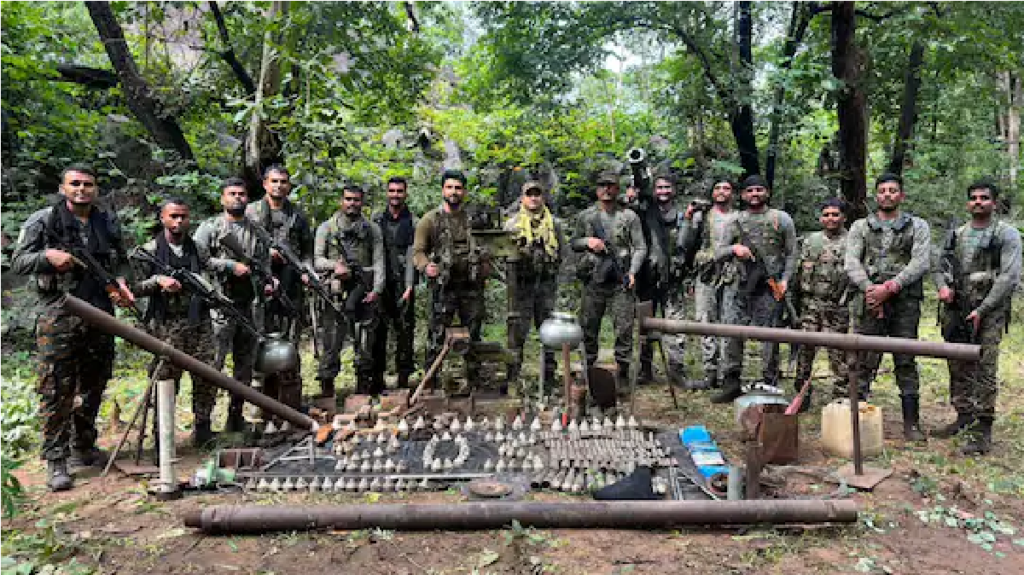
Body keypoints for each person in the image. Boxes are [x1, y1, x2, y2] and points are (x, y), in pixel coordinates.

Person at [12, 164, 134, 491]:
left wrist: (120, 283)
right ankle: (56, 458)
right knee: (56, 387)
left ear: (96, 189)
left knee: (95, 381)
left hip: (100, 311)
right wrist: (47, 257)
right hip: (58, 313)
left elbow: (120, 260)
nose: (81, 189)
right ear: (63, 187)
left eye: (88, 184)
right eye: (75, 184)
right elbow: (18, 261)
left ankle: (84, 444)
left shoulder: (106, 221)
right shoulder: (44, 220)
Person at [933, 181, 1021, 454]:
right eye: (973, 198)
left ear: (994, 203)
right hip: (957, 308)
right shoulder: (956, 234)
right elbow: (939, 265)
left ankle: (983, 430)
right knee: (957, 362)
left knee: (984, 366)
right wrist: (943, 288)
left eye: (985, 198)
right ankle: (963, 416)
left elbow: (1009, 276)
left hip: (990, 310)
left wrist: (982, 310)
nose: (978, 202)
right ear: (967, 203)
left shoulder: (1005, 234)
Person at [844, 173, 931, 441]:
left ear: (901, 196)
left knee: (905, 358)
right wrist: (870, 289)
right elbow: (851, 261)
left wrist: (890, 288)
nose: (887, 195)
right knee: (863, 358)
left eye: (893, 191)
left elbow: (920, 262)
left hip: (904, 303)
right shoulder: (861, 226)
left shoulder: (917, 226)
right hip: (868, 301)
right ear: (876, 195)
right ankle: (855, 420)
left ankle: (911, 423)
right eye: (882, 191)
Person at [131, 198, 218, 446]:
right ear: (163, 219)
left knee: (207, 375)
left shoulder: (198, 249)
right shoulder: (147, 251)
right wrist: (158, 281)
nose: (179, 221)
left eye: (183, 216)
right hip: (165, 325)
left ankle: (203, 427)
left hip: (198, 322)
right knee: (165, 379)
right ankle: (162, 434)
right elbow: (134, 288)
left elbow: (207, 277)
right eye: (173, 216)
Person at [194, 177, 276, 433]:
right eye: (232, 193)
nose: (237, 198)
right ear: (223, 198)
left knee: (244, 365)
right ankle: (203, 423)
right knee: (213, 364)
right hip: (220, 305)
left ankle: (235, 416)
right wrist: (229, 266)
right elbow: (198, 261)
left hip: (249, 306)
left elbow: (264, 264)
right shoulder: (210, 228)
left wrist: (268, 281)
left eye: (241, 194)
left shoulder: (256, 230)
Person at [714, 174, 797, 403]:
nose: (755, 194)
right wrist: (735, 248)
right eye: (750, 191)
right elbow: (718, 253)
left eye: (759, 190)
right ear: (742, 195)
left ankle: (768, 383)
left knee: (770, 336)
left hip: (769, 287)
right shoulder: (735, 221)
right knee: (731, 334)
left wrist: (785, 280)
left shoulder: (781, 219)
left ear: (767, 193)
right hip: (738, 286)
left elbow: (791, 253)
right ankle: (731, 382)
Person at [412, 169, 490, 391]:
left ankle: (474, 383)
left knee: (473, 336)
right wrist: (427, 266)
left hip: (471, 286)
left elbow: (489, 246)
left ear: (464, 191)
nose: (454, 192)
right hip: (444, 288)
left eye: (458, 188)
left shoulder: (473, 219)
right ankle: (430, 384)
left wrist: (485, 264)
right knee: (437, 336)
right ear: (442, 190)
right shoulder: (430, 220)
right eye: (449, 187)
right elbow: (418, 251)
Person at [571, 169, 647, 390]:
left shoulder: (628, 216)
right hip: (593, 280)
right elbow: (573, 242)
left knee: (623, 328)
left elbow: (640, 246)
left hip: (619, 280)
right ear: (596, 189)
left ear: (617, 189)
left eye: (610, 185)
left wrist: (632, 271)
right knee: (588, 328)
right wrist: (588, 241)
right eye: (602, 185)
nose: (606, 189)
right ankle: (587, 371)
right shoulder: (586, 216)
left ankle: (622, 373)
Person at [245, 164, 312, 412]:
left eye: (284, 182)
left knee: (290, 342)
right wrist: (265, 256)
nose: (279, 186)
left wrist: (306, 272)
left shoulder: (297, 216)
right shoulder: (250, 213)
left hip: (290, 288)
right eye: (274, 181)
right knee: (258, 342)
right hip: (257, 290)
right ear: (265, 184)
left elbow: (306, 252)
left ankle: (290, 401)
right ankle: (258, 405)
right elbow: (242, 249)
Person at [314, 185, 385, 395]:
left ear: (362, 202)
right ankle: (327, 390)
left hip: (363, 290)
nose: (352, 203)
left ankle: (362, 391)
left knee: (364, 342)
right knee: (331, 341)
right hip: (335, 294)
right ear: (341, 201)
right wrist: (334, 266)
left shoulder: (371, 229)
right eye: (348, 199)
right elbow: (317, 260)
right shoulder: (327, 228)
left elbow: (379, 261)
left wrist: (377, 289)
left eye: (356, 199)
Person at [504, 179, 568, 390]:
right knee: (517, 332)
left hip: (546, 285)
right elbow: (503, 256)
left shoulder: (554, 224)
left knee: (548, 330)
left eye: (537, 194)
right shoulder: (512, 224)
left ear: (543, 197)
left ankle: (549, 376)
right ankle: (513, 375)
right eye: (529, 194)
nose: (533, 198)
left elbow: (563, 253)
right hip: (521, 287)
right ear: (523, 198)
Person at [791, 197, 851, 411]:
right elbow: (799, 272)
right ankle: (801, 395)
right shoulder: (811, 240)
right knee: (805, 352)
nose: (831, 218)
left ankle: (841, 399)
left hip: (837, 307)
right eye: (826, 214)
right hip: (810, 305)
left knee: (838, 354)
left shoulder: (852, 240)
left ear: (843, 217)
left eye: (835, 214)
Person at [680, 177, 737, 390]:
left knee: (727, 323)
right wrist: (688, 217)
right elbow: (685, 244)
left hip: (731, 276)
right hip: (704, 275)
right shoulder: (702, 217)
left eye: (727, 188)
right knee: (705, 322)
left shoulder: (738, 218)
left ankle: (726, 372)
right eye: (718, 188)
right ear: (712, 193)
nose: (722, 191)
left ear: (733, 193)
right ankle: (710, 372)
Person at [633, 172, 688, 385]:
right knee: (645, 325)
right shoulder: (644, 210)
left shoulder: (683, 215)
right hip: (647, 277)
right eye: (659, 188)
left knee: (675, 326)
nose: (663, 191)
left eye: (667, 187)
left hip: (673, 279)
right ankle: (644, 370)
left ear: (674, 189)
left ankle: (676, 371)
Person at [371, 177, 418, 390]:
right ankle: (377, 379)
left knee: (405, 333)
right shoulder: (377, 219)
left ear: (405, 193)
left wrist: (409, 285)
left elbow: (413, 254)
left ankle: (403, 379)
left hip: (404, 283)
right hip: (381, 282)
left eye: (399, 191)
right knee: (378, 332)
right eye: (392, 191)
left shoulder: (413, 221)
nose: (395, 195)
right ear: (387, 193)